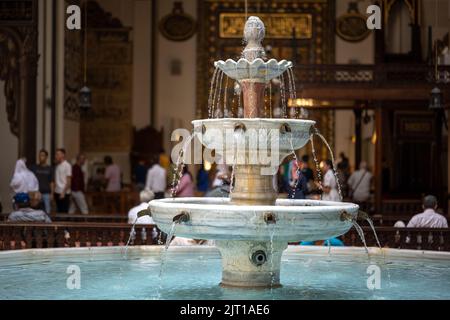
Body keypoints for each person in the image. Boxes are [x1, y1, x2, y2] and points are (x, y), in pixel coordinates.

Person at [54, 148, 72, 213]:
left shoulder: (67, 165)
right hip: (57, 192)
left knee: (64, 213)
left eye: (57, 154)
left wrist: (63, 192)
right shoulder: (58, 166)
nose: (56, 156)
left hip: (64, 193)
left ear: (63, 155)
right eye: (56, 154)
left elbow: (69, 181)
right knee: (59, 212)